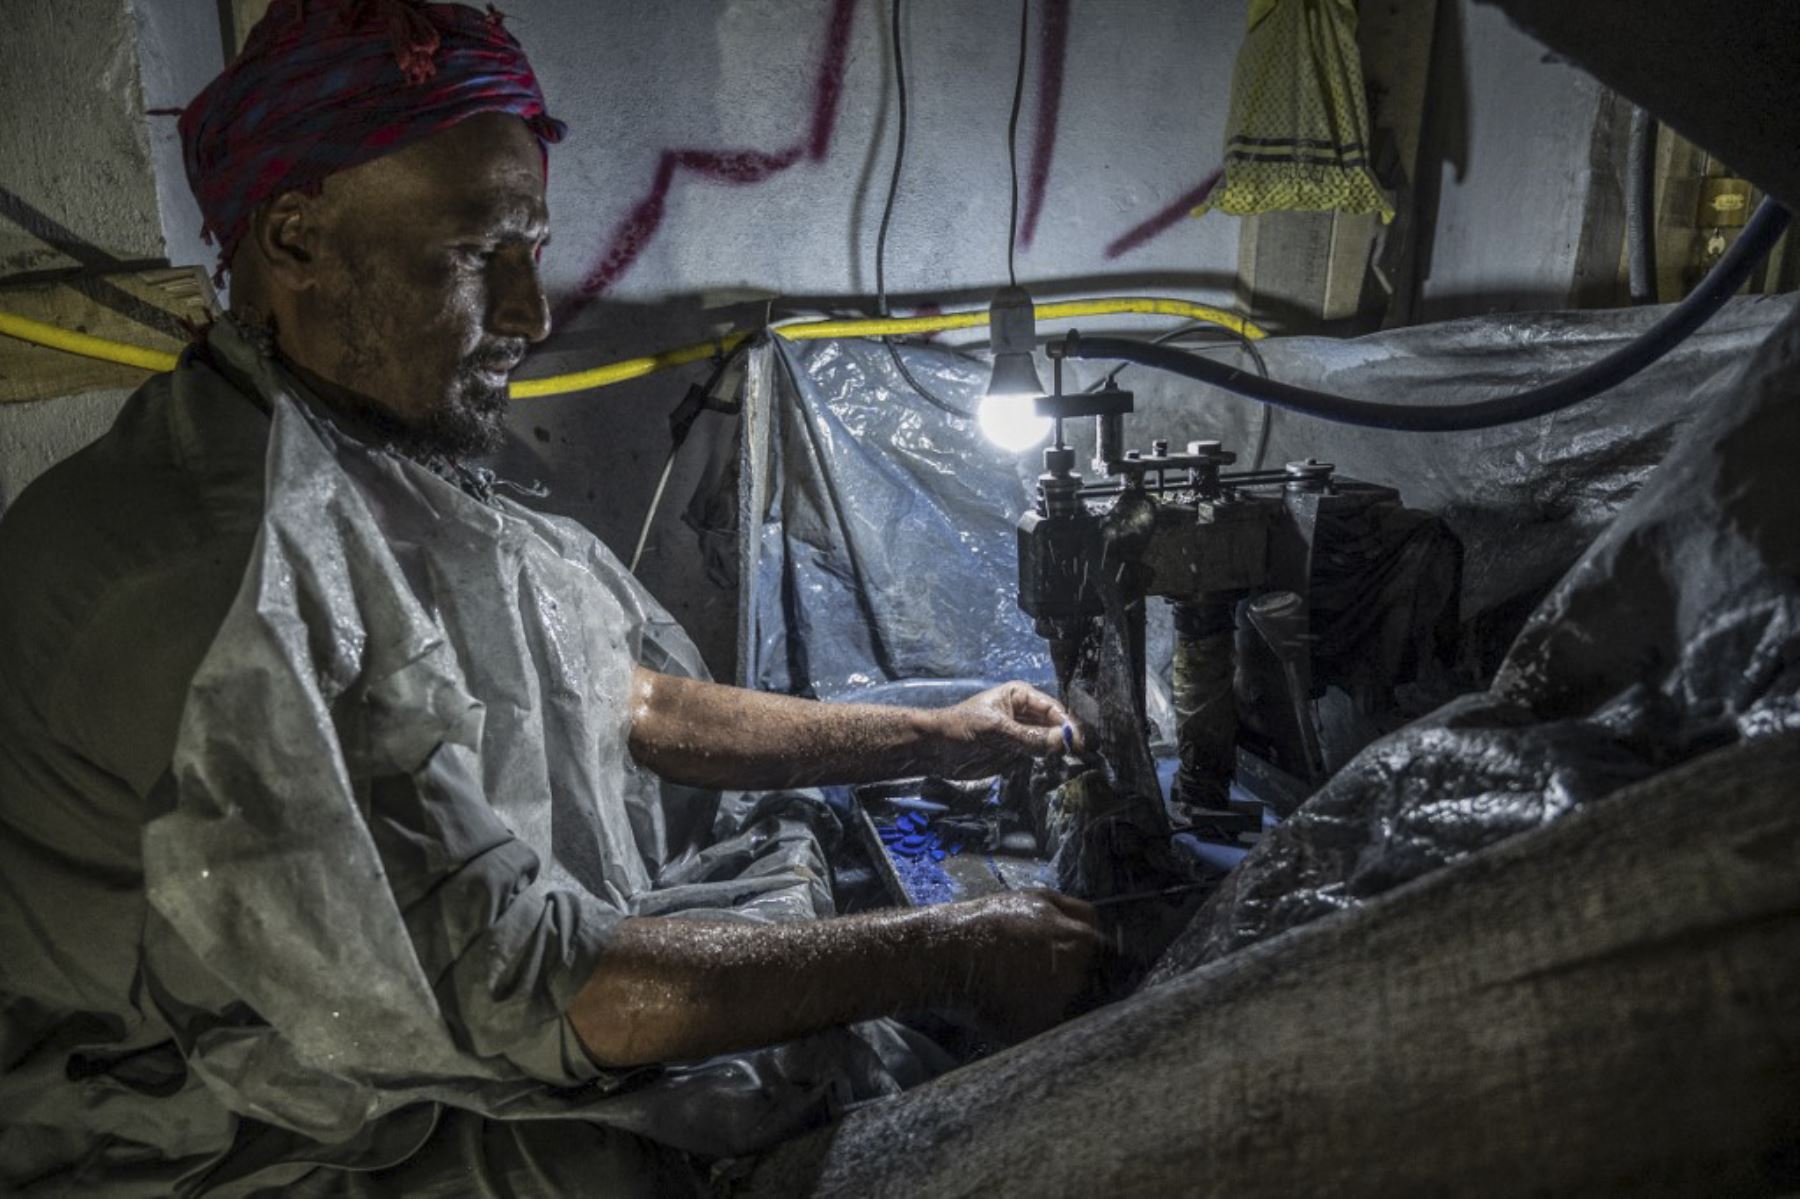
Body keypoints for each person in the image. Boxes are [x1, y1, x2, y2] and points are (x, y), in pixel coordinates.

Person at [0, 2, 1099, 1193]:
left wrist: (933, 738)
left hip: (388, 1051)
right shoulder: (219, 577)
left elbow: (615, 693)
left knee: (798, 930)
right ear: (294, 237)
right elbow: (541, 989)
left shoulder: (349, 450)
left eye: (532, 248)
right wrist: (961, 949)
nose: (531, 313)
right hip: (238, 1144)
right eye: (480, 256)